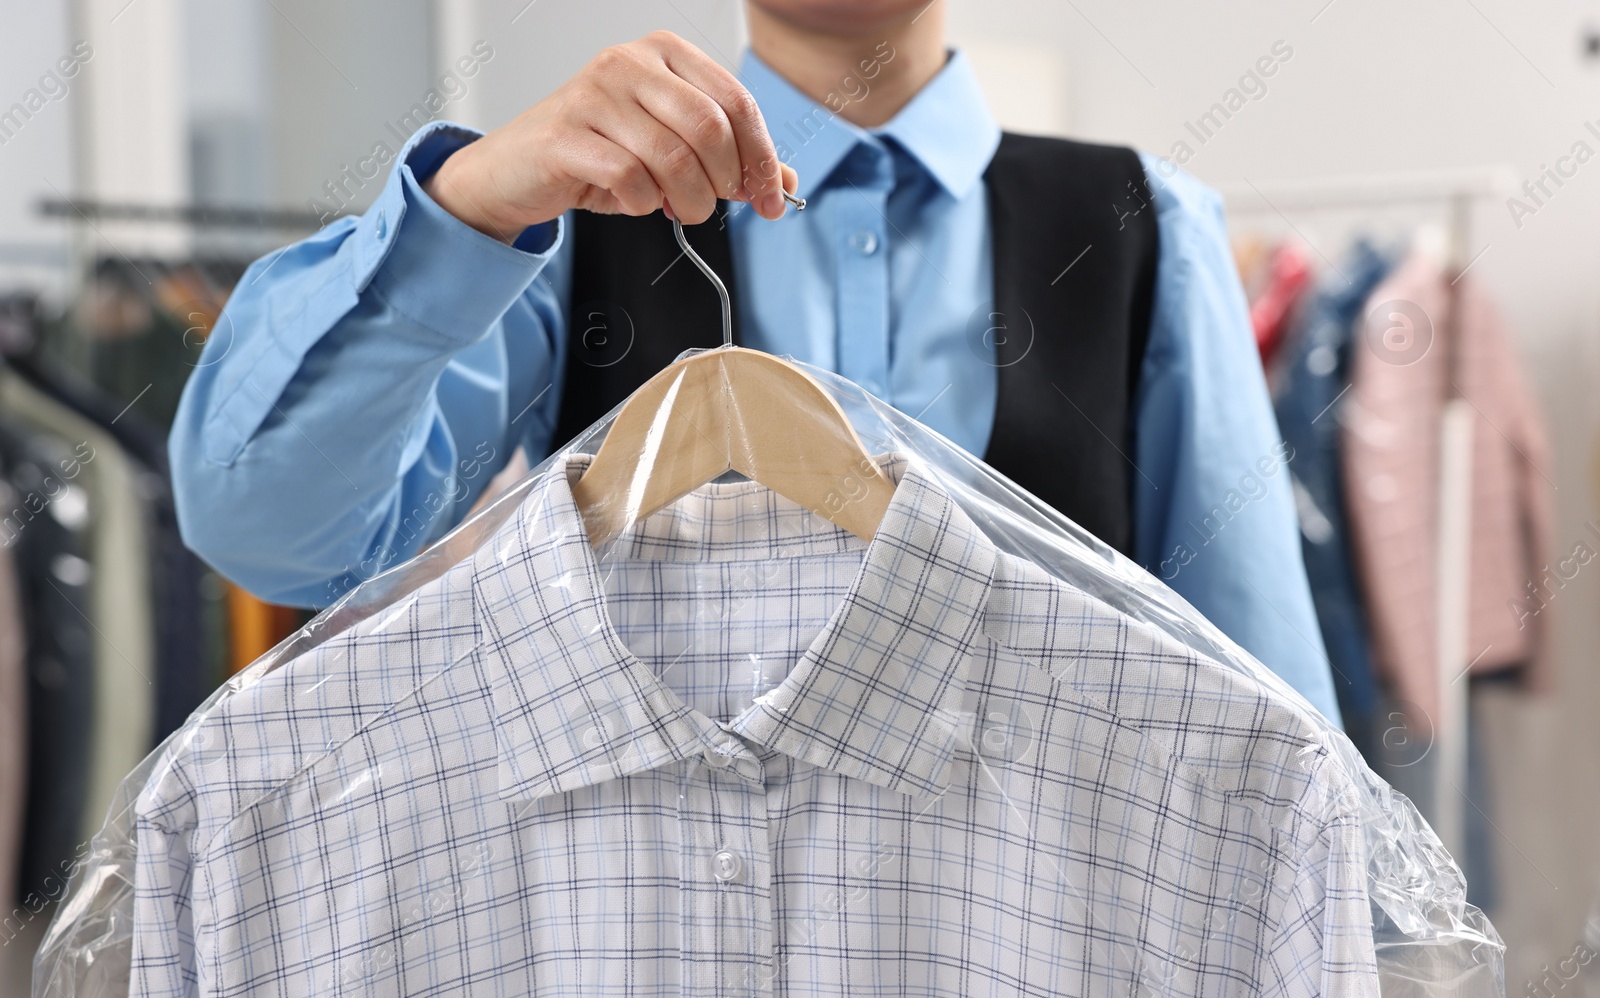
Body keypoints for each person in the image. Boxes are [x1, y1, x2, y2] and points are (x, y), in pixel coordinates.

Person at [168, 0, 1341, 723]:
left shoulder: (1145, 222)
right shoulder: (565, 223)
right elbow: (277, 532)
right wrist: (463, 205)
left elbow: (1263, 701)